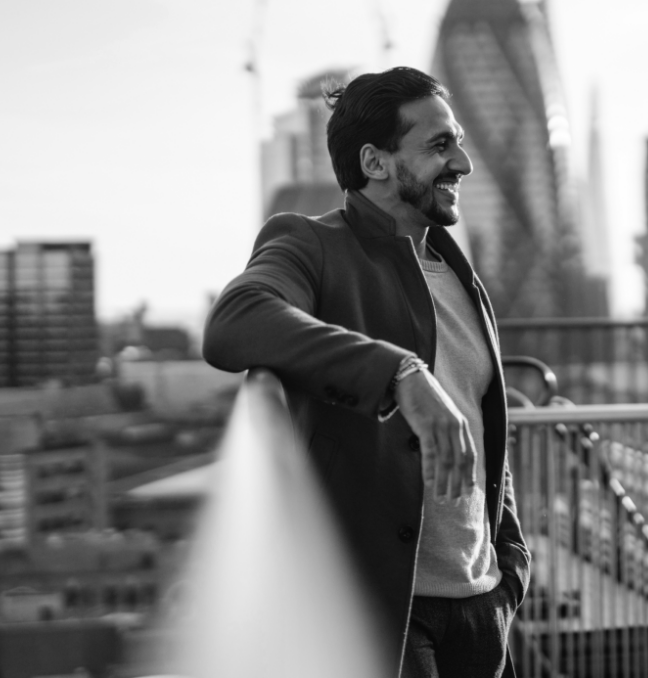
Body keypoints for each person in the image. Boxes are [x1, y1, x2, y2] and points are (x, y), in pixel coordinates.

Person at [203, 67, 529, 678]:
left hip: (484, 605)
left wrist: (510, 565)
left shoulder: (460, 274)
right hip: (384, 617)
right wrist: (400, 373)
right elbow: (235, 321)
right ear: (375, 163)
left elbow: (482, 426)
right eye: (439, 145)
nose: (463, 163)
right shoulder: (310, 244)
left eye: (457, 142)